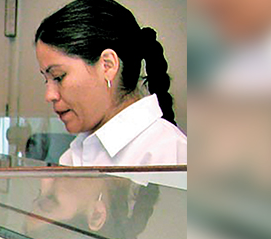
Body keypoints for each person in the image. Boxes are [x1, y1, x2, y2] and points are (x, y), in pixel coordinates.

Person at [35, 0, 187, 166]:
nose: (49, 95)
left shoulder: (169, 154)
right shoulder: (73, 155)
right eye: (46, 80)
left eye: (58, 76)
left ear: (107, 65)